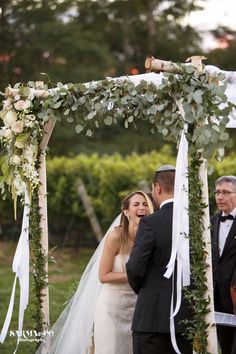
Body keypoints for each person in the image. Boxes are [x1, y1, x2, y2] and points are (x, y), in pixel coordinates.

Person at [36, 190, 154, 354]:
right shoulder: (115, 236)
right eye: (136, 204)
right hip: (112, 308)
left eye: (145, 204)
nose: (142, 207)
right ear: (126, 212)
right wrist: (135, 275)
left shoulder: (149, 237)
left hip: (137, 307)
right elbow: (104, 275)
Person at [126, 165, 192, 354]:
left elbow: (134, 268)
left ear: (157, 188)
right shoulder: (197, 222)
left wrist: (148, 292)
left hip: (151, 318)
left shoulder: (150, 222)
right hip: (186, 319)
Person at [211, 175, 236, 354]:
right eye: (217, 192)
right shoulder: (210, 222)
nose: (220, 197)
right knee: (224, 346)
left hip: (235, 294)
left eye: (226, 192)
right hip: (216, 298)